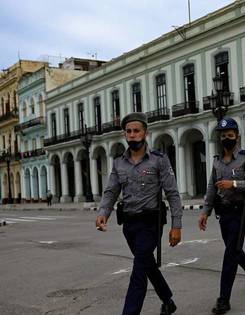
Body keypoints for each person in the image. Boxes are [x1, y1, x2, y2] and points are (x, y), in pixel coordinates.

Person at [95, 112, 182, 315]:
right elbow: (111, 191)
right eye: (129, 131)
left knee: (138, 272)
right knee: (147, 265)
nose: (132, 135)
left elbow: (173, 193)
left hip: (151, 224)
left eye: (136, 131)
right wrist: (103, 213)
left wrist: (176, 226)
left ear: (145, 133)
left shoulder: (159, 160)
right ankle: (168, 300)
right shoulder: (119, 163)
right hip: (130, 226)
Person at [198, 117, 245, 314]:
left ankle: (223, 299)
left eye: (229, 135)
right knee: (234, 249)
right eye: (222, 136)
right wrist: (205, 212)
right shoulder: (217, 161)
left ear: (237, 136)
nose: (226, 138)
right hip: (224, 212)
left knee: (230, 254)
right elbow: (211, 187)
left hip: (242, 210)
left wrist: (235, 184)